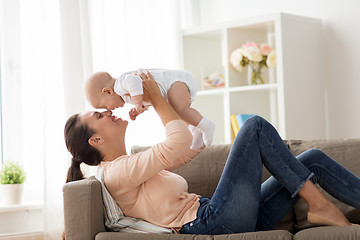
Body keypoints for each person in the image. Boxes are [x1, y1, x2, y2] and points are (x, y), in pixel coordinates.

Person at [65, 70, 360, 235]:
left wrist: (200, 131)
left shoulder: (128, 164)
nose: (109, 112)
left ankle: (319, 206)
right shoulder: (115, 173)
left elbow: (180, 153)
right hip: (211, 220)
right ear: (95, 140)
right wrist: (155, 97)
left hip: (225, 216)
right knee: (253, 127)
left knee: (312, 160)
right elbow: (174, 142)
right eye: (100, 116)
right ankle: (319, 206)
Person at [85, 69, 215, 147]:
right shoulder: (126, 96)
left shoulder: (120, 84)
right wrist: (139, 109)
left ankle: (206, 125)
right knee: (178, 113)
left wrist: (137, 102)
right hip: (173, 87)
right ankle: (197, 130)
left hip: (177, 82)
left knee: (179, 109)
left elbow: (134, 81)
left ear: (108, 92)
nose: (108, 110)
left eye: (104, 106)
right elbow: (148, 97)